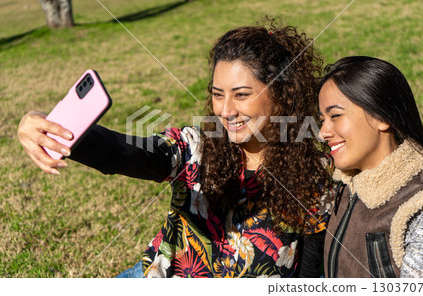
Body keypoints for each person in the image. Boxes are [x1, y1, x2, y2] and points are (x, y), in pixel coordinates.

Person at [18, 21, 332, 278]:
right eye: (218, 94)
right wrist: (61, 131)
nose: (226, 110)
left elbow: (311, 270)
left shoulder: (314, 175)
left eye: (241, 94)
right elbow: (132, 153)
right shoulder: (196, 148)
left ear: (281, 95)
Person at [318, 56, 423, 278]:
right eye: (322, 119)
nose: (322, 132)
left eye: (336, 116)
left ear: (382, 117)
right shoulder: (343, 187)